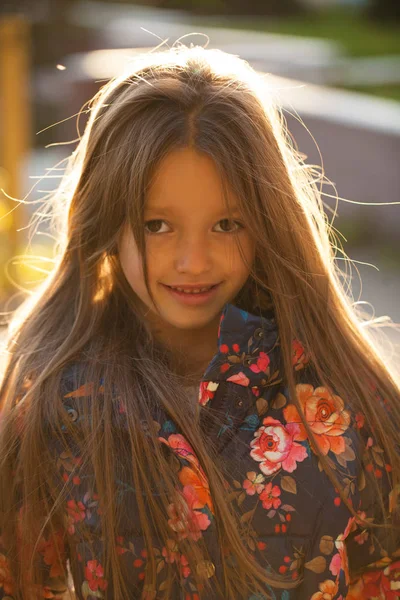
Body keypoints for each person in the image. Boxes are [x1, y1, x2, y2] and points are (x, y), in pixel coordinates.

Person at [0, 44, 399, 600]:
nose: (193, 261)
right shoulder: (48, 398)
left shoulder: (353, 403)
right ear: (106, 222)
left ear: (268, 221)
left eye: (227, 223)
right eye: (158, 225)